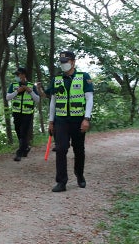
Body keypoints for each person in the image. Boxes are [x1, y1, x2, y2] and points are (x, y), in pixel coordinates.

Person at [47, 51, 93, 192]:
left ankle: (79, 175)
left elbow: (89, 98)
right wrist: (50, 121)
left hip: (78, 120)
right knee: (61, 149)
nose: (63, 64)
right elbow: (53, 102)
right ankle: (61, 182)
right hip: (61, 120)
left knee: (79, 150)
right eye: (61, 61)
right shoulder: (57, 79)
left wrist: (86, 118)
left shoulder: (83, 77)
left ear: (73, 62)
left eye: (65, 61)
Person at [6, 67, 40, 161]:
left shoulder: (31, 86)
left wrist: (30, 91)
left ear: (24, 75)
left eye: (18, 74)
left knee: (23, 132)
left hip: (27, 113)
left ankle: (19, 153)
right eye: (16, 75)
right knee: (18, 131)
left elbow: (37, 99)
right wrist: (17, 91)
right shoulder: (13, 85)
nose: (17, 76)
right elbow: (8, 97)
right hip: (16, 113)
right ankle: (26, 147)